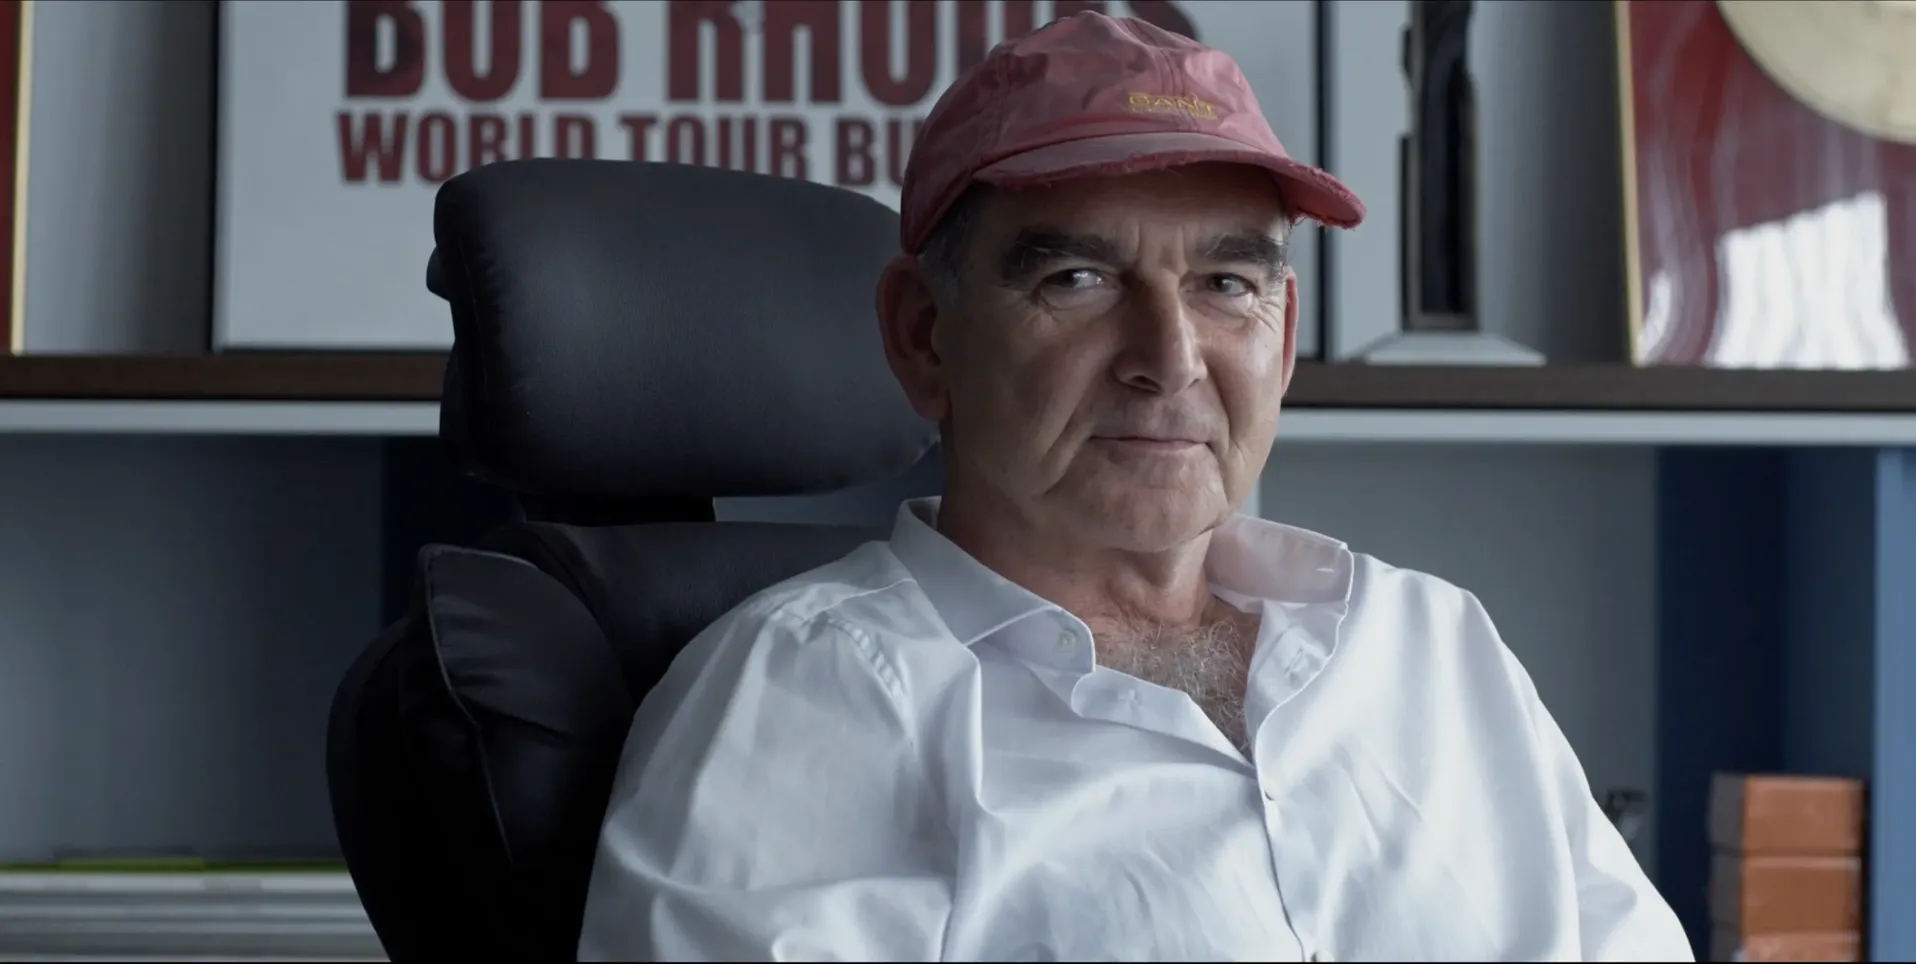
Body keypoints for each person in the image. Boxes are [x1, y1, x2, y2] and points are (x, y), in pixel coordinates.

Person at [580, 11, 1691, 962]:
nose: (1171, 356)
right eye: (1079, 277)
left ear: (1286, 334)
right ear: (924, 337)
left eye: (1226, 283)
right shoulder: (811, 698)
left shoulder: (1434, 646)